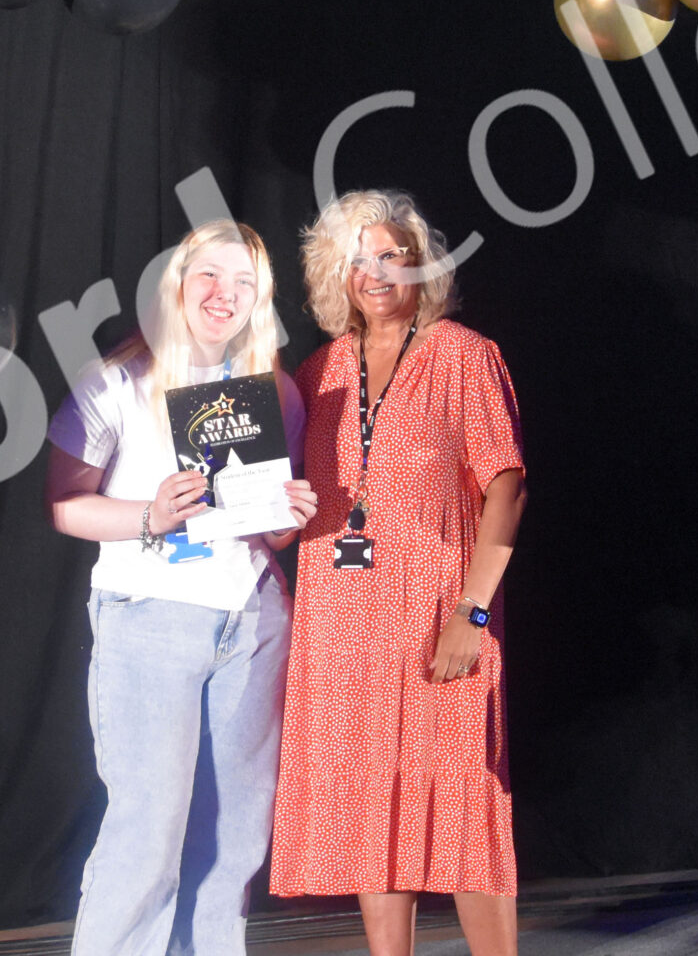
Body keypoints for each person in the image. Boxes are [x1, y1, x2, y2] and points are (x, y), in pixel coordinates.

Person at [46, 219, 319, 956]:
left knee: (234, 836)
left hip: (254, 620)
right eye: (210, 275)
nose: (225, 294)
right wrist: (150, 515)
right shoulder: (116, 381)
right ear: (177, 284)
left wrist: (288, 519)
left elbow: (268, 531)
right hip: (150, 617)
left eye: (244, 283)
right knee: (147, 831)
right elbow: (64, 506)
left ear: (259, 299)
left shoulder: (276, 392)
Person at [269, 190, 528, 956]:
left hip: (439, 618)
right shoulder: (317, 373)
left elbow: (509, 489)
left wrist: (472, 612)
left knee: (464, 807)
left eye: (390, 255)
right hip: (342, 629)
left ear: (421, 265)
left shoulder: (464, 355)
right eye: (357, 259)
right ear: (335, 275)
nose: (375, 272)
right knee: (367, 815)